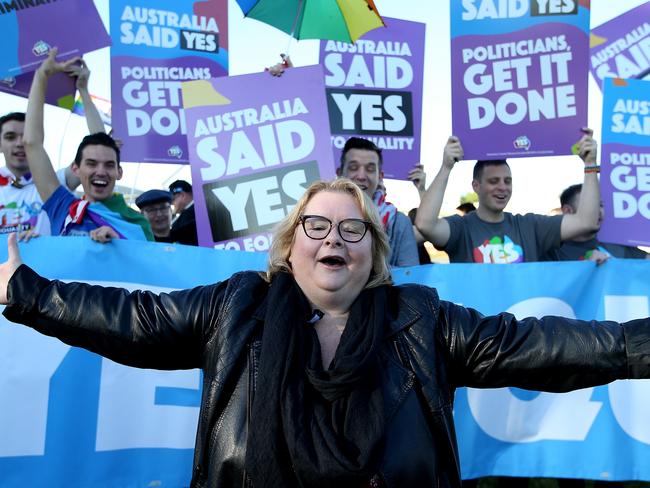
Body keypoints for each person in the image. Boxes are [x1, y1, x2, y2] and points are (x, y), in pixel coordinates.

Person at [2, 178, 650, 488]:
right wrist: (21, 292)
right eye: (317, 226)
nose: (333, 239)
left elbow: (535, 345)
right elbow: (134, 321)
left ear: (373, 253)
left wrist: (638, 345)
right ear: (289, 248)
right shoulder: (236, 308)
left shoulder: (421, 321)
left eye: (352, 229)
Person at [23, 48, 153, 243]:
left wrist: (121, 243)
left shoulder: (137, 222)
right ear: (76, 169)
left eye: (109, 165)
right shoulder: (63, 207)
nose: (100, 171)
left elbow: (147, 268)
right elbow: (31, 144)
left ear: (119, 172)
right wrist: (42, 76)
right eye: (91, 163)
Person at [415, 131, 600, 263]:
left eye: (507, 181)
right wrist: (446, 166)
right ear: (476, 186)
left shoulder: (530, 226)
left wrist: (590, 164)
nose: (503, 187)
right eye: (494, 181)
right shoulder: (461, 229)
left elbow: (586, 222)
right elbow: (425, 224)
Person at [0, 61, 102, 238]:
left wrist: (83, 91)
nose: (20, 143)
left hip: (46, 266)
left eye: (25, 136)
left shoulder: (56, 183)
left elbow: (101, 148)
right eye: (10, 137)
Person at [338, 137, 419, 267]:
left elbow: (410, 277)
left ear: (380, 176)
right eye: (353, 168)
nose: (361, 176)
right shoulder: (324, 217)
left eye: (370, 169)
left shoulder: (399, 223)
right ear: (339, 173)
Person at [545, 183, 649, 264]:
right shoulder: (552, 250)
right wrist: (587, 269)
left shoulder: (617, 243)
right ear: (568, 210)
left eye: (600, 205)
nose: (599, 210)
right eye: (591, 205)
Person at [169, 179, 198, 246]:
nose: (172, 204)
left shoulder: (187, 216)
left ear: (182, 195)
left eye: (173, 200)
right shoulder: (206, 208)